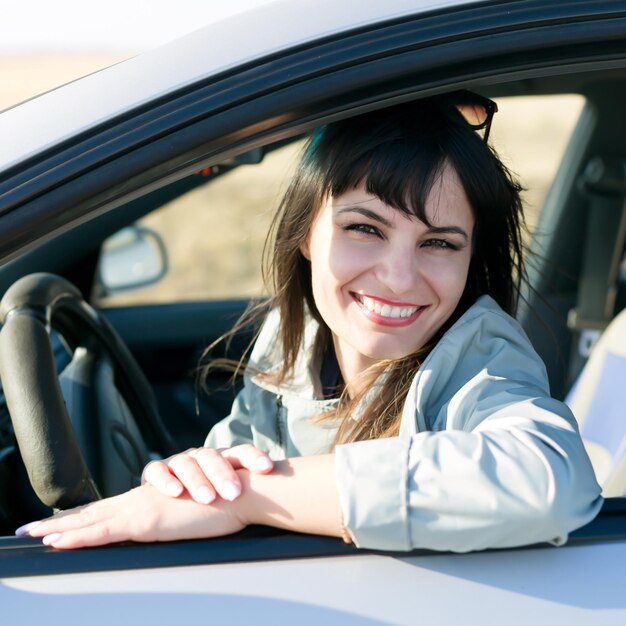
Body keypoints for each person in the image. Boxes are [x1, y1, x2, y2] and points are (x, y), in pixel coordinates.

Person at [17, 93, 602, 552]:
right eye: (365, 229)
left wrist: (252, 495)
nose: (399, 278)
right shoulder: (291, 339)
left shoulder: (480, 352)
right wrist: (196, 477)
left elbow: (548, 479)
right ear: (305, 233)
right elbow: (237, 460)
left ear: (471, 257)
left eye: (440, 244)